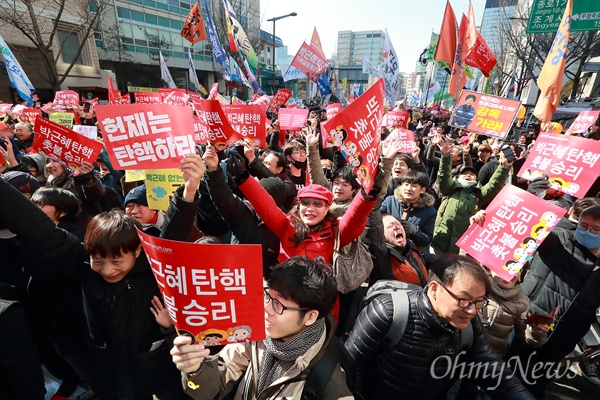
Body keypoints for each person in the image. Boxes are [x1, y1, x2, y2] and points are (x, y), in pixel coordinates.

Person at [345, 255, 533, 399]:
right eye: (463, 300)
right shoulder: (388, 312)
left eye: (478, 302)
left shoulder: (469, 326)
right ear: (434, 289)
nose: (472, 310)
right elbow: (350, 367)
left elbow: (492, 368)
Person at [170, 256, 354, 400]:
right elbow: (212, 385)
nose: (266, 309)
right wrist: (195, 370)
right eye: (268, 296)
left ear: (310, 316)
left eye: (278, 304)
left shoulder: (329, 378)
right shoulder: (257, 335)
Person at [506, 205, 600, 399]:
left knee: (538, 380)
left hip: (567, 334)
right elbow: (525, 228)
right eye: (583, 226)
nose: (587, 232)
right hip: (531, 323)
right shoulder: (560, 239)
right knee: (509, 375)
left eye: (595, 230)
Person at [431, 138, 511, 254]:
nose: (468, 175)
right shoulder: (449, 188)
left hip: (461, 245)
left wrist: (503, 168)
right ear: (458, 177)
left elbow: (494, 185)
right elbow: (444, 175)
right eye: (464, 174)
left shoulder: (479, 194)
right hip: (440, 240)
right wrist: (446, 157)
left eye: (472, 174)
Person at [380, 170, 436, 249]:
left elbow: (427, 241)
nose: (409, 189)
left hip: (410, 252)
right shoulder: (390, 201)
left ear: (422, 190)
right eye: (406, 184)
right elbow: (377, 220)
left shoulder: (429, 212)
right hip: (386, 248)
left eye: (414, 186)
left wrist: (414, 231)